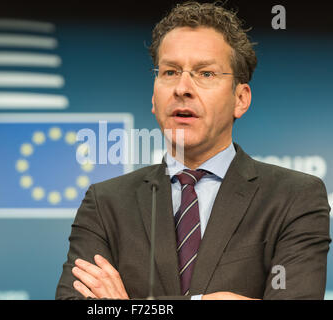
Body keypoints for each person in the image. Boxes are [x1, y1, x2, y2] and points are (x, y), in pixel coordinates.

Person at [55, 1, 331, 300]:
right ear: (153, 97)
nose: (182, 88)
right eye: (170, 72)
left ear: (240, 98)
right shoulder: (105, 203)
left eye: (205, 73)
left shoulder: (294, 197)